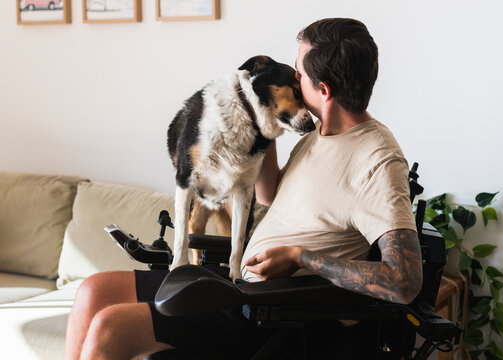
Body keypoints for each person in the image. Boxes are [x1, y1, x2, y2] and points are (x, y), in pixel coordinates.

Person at [64, 18, 422, 360]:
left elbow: (403, 281)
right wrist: (259, 116)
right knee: (93, 292)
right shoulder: (318, 135)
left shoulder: (378, 161)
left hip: (280, 315)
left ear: (323, 90)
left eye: (299, 72)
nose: (293, 76)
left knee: (111, 328)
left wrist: (302, 258)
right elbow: (270, 195)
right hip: (243, 288)